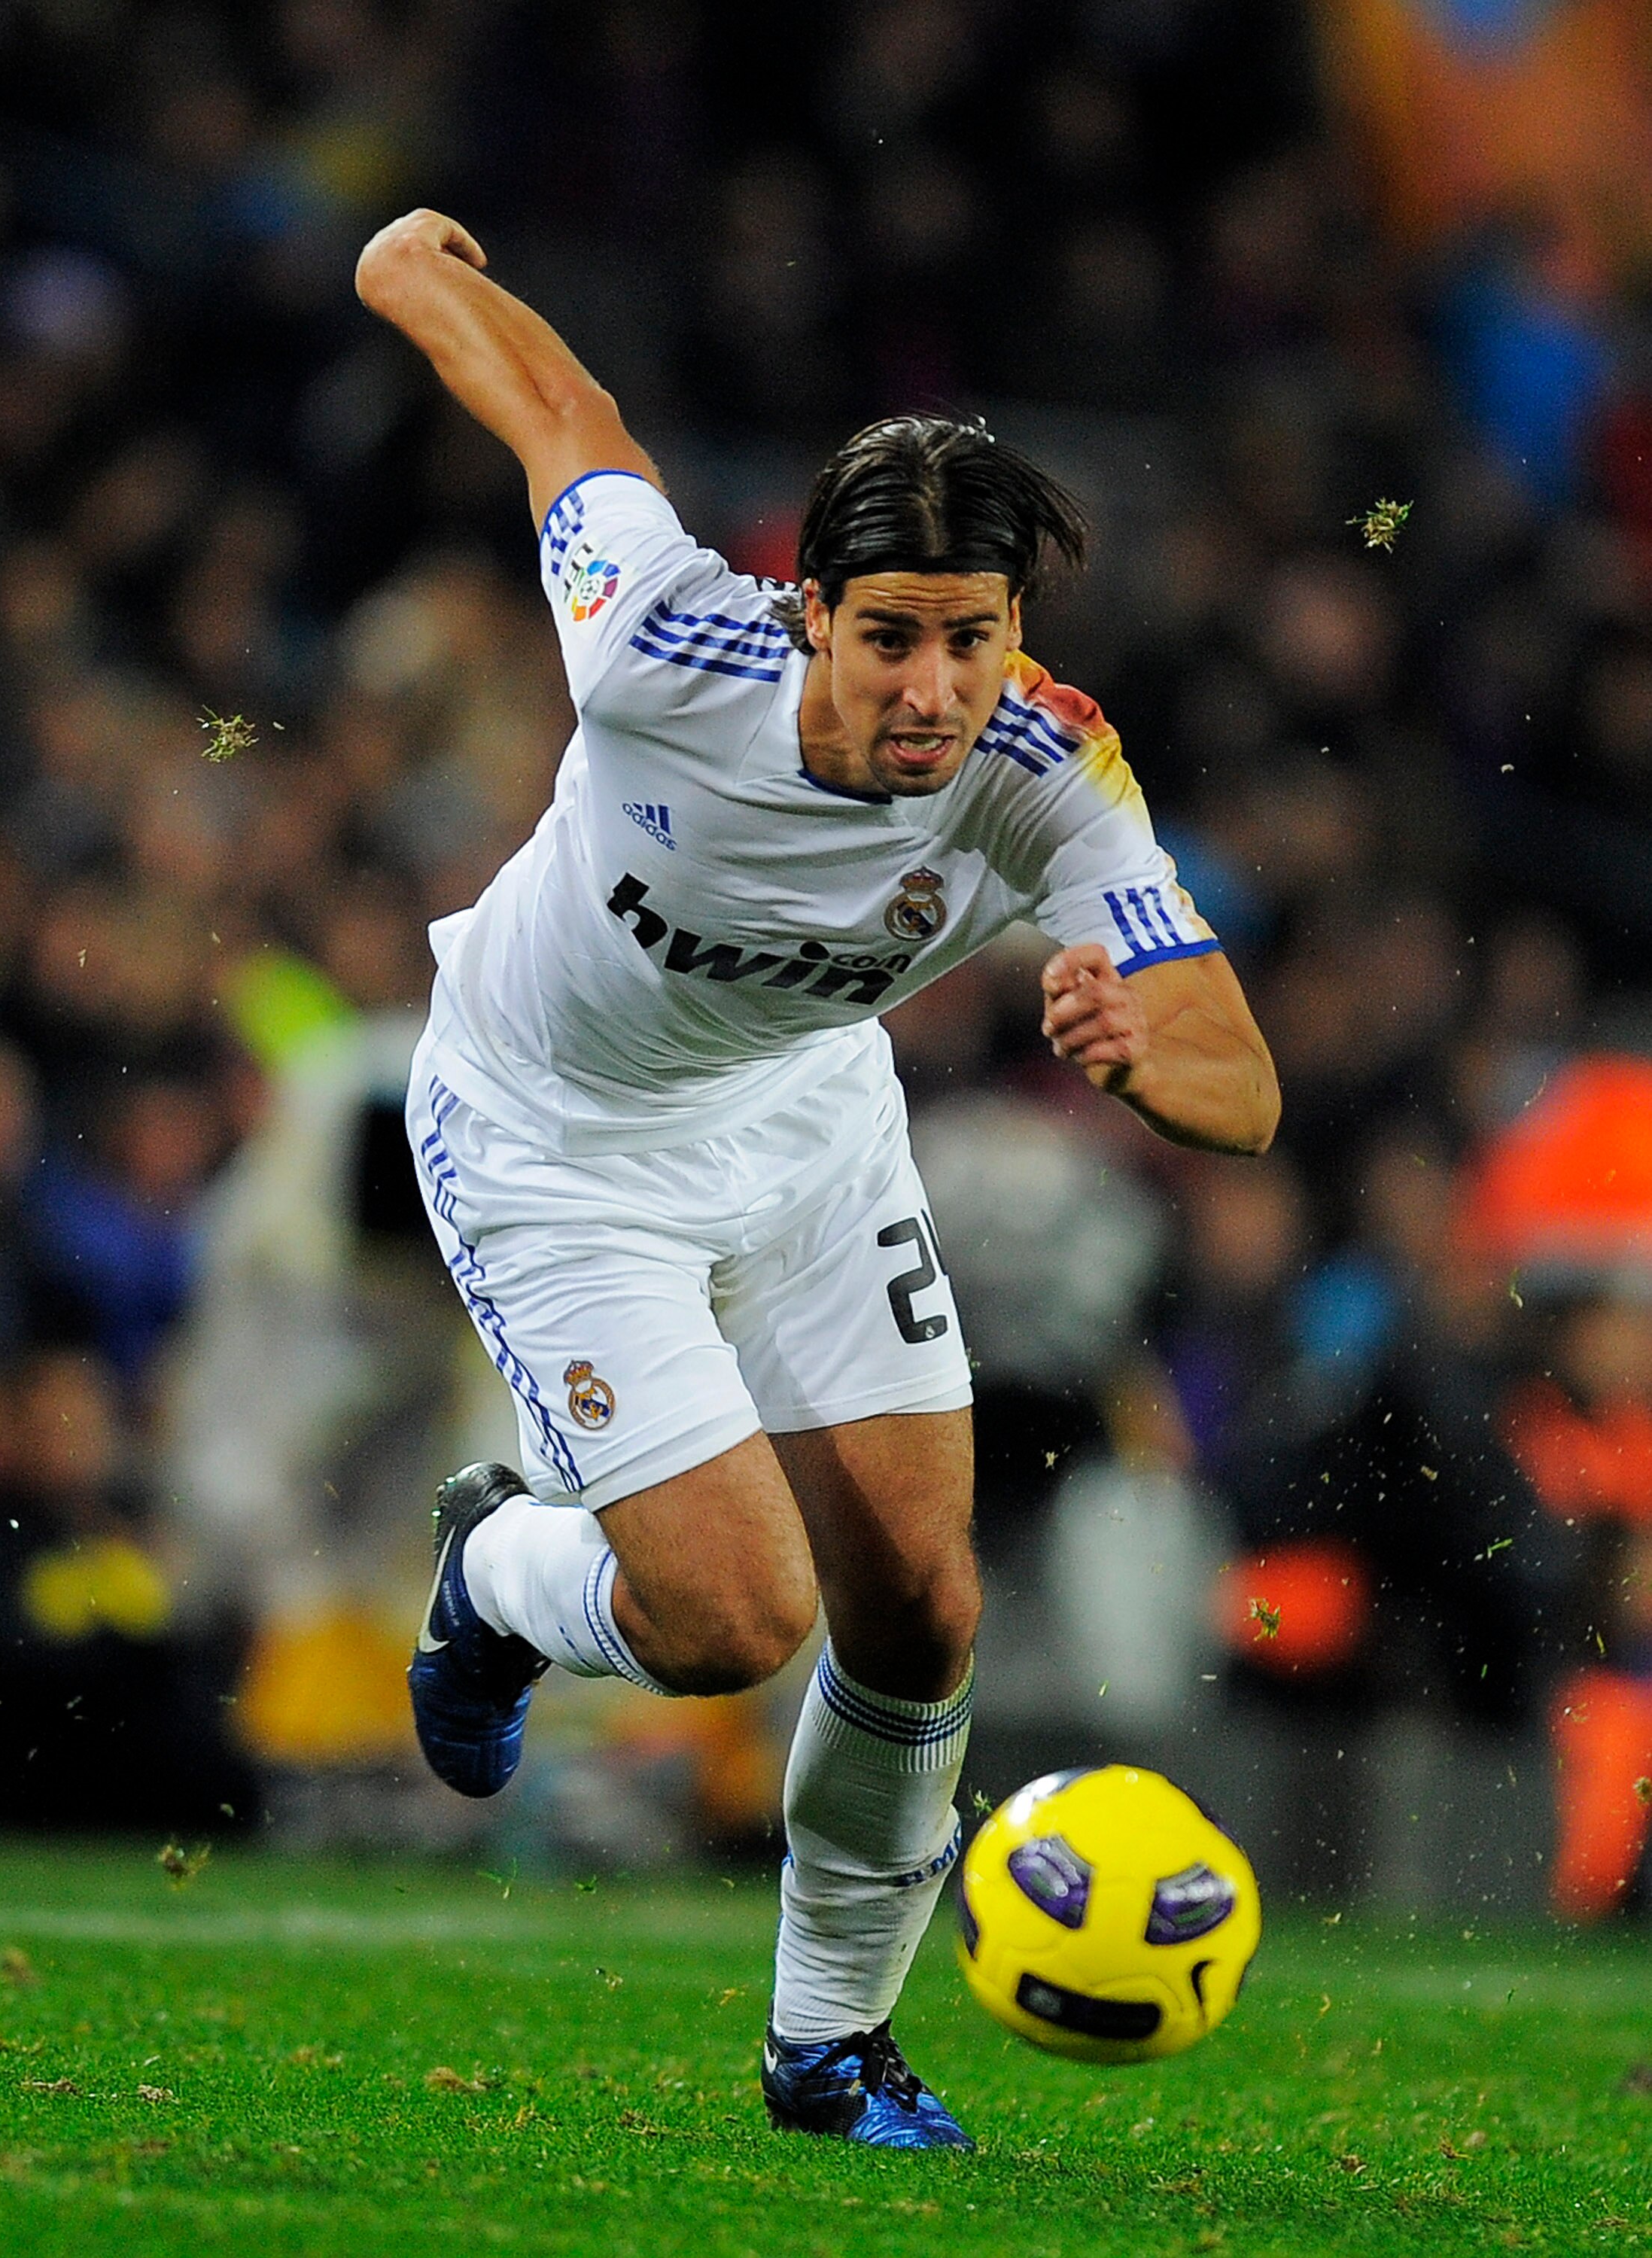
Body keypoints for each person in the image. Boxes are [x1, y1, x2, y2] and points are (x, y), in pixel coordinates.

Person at [355, 207, 1279, 2152]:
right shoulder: (661, 642)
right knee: (724, 1624)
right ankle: (496, 1574)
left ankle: (828, 2050)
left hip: (801, 1128)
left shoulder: (1053, 770)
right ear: (811, 614)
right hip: (552, 1142)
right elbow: (568, 421)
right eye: (892, 638)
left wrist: (1143, 1061)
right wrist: (415, 276)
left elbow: (1241, 1079)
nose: (934, 688)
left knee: (922, 1608)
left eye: (975, 638)